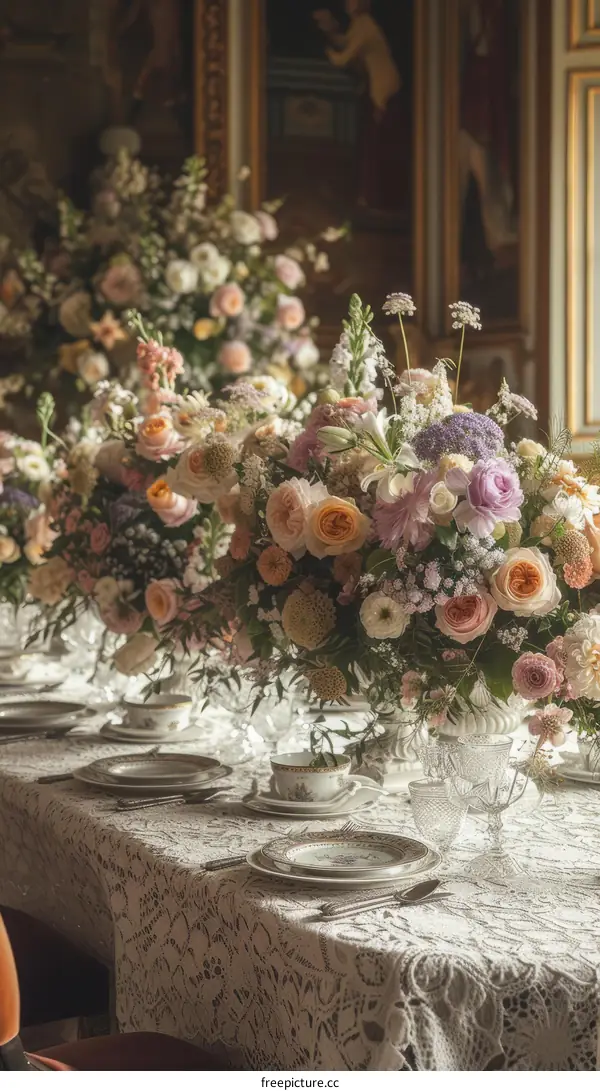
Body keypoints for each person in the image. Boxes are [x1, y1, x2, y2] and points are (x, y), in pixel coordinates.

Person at [314, 0, 405, 213]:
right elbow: (345, 42)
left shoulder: (365, 24)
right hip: (378, 89)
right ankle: (369, 198)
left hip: (384, 91)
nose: (347, 3)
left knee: (377, 147)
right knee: (371, 146)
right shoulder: (360, 24)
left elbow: (343, 57)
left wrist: (325, 48)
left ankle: (376, 200)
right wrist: (330, 29)